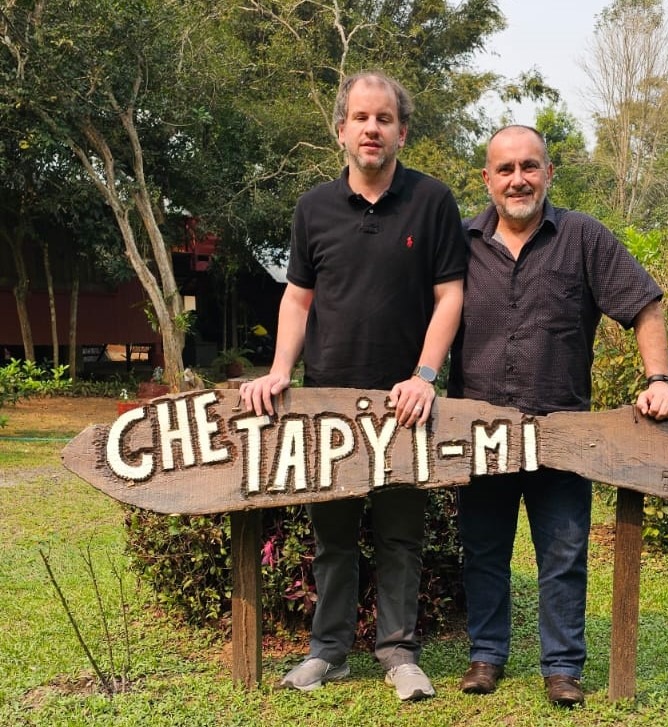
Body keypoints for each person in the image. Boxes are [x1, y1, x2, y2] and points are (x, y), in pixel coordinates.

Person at [240, 71, 466, 701]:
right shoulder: (312, 208)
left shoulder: (432, 201)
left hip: (404, 407)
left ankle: (398, 654)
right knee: (332, 538)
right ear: (341, 129)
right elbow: (298, 298)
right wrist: (282, 371)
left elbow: (451, 296)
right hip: (328, 406)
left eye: (385, 119)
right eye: (361, 118)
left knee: (401, 536)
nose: (373, 129)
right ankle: (329, 653)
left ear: (402, 131)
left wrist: (425, 375)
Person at [448, 125, 668, 708]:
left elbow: (644, 304)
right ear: (487, 179)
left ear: (549, 173)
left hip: (563, 432)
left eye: (530, 166)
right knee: (483, 550)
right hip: (479, 433)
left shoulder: (584, 238)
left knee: (562, 553)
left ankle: (561, 667)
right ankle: (486, 656)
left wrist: (659, 380)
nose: (518, 178)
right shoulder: (458, 243)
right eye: (505, 169)